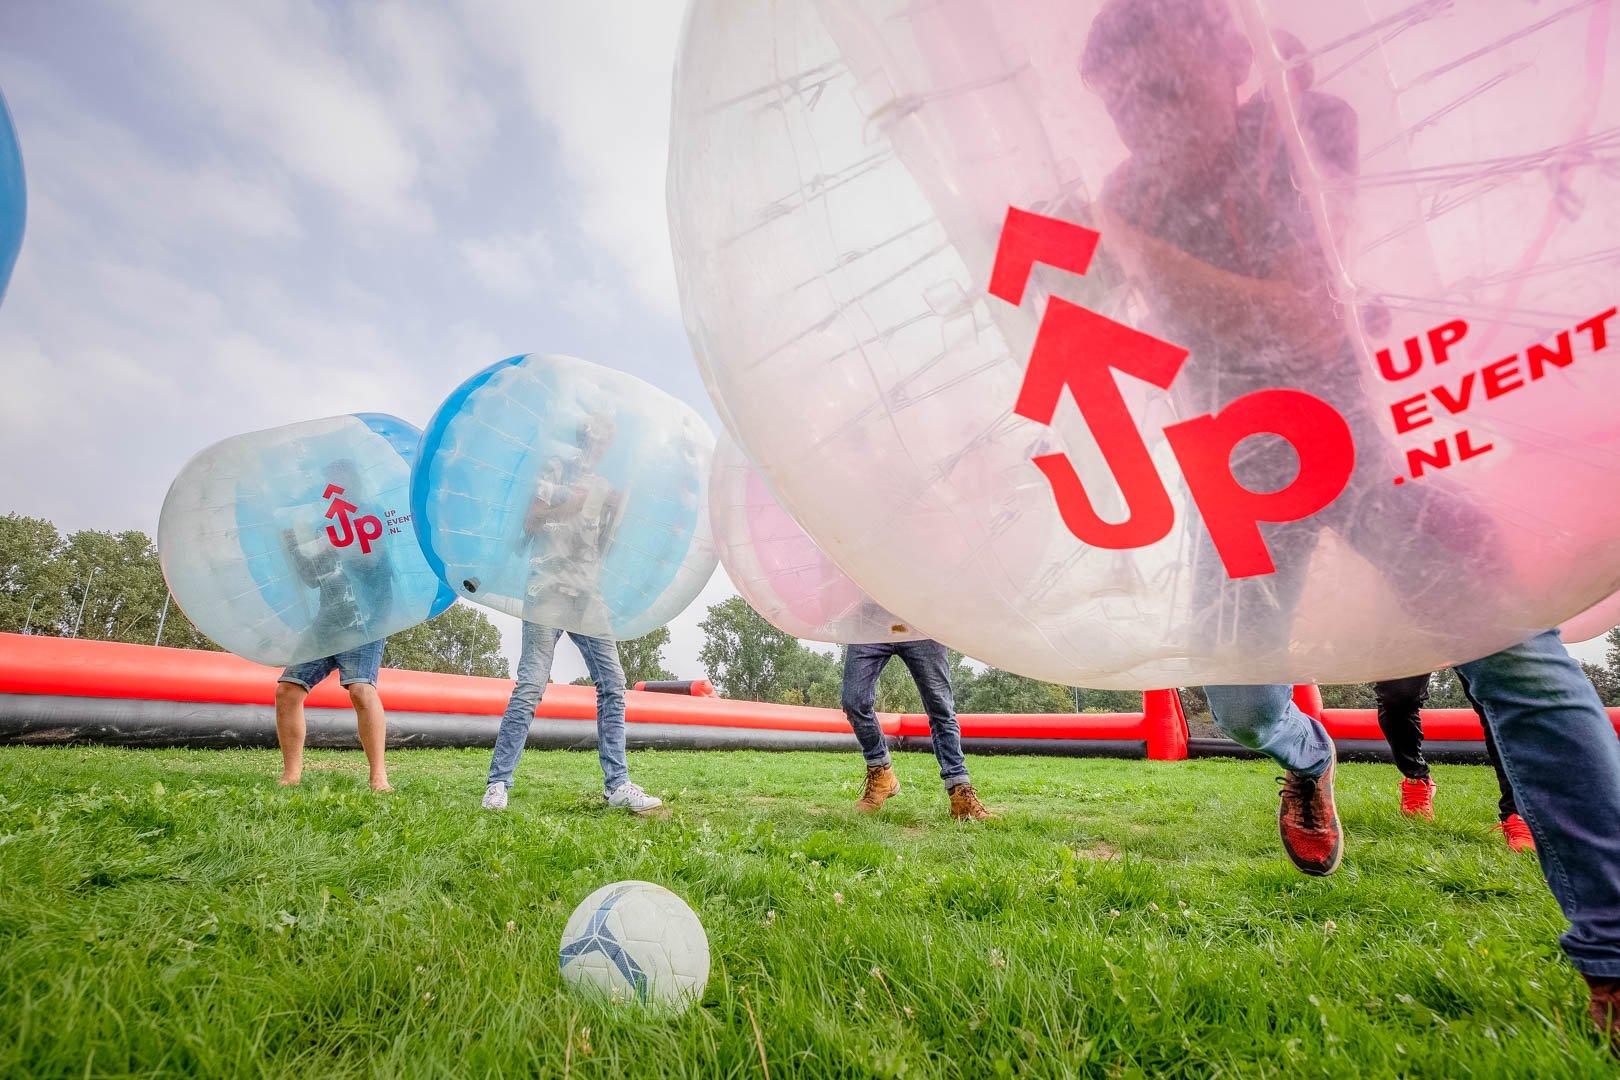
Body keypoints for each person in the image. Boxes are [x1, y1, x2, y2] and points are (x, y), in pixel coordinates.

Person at [1084, 0, 1620, 1048]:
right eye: (1121, 103)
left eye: (1162, 87)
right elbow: (1115, 313)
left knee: (1512, 647)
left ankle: (1613, 950)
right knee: (1238, 704)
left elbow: (1298, 315)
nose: (1142, 120)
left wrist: (1134, 247)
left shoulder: (1303, 121)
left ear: (1230, 58)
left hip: (1356, 437)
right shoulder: (1128, 192)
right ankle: (1306, 753)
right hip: (1237, 470)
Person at [482, 411, 661, 814]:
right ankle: (498, 783)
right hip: (546, 588)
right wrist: (573, 503)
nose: (600, 446)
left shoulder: (603, 484)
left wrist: (618, 510)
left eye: (606, 441)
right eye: (597, 437)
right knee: (531, 685)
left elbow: (600, 549)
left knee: (614, 684)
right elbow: (529, 524)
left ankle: (617, 784)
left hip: (587, 591)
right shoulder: (554, 469)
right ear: (584, 435)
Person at [275, 460, 396, 791]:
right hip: (328, 619)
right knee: (287, 690)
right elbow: (312, 579)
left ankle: (378, 776)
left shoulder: (370, 516)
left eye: (340, 482)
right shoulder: (323, 525)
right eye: (329, 483)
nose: (333, 489)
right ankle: (291, 775)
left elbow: (370, 559)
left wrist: (336, 538)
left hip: (366, 619)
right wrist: (293, 546)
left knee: (360, 689)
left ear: (354, 483)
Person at [1373, 673, 1535, 852]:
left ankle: (1518, 813)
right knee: (1396, 698)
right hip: (1413, 643)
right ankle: (1416, 778)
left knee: (1496, 700)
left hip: (1475, 643)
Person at [840, 637, 989, 820]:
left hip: (920, 629)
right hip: (871, 626)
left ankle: (960, 792)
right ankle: (880, 774)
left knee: (941, 709)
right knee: (853, 702)